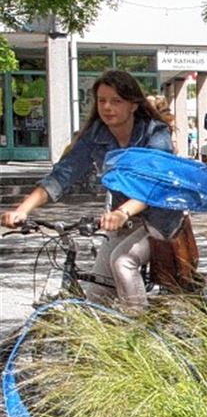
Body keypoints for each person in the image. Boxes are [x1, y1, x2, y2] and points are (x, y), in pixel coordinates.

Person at [1, 70, 182, 311]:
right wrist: (23, 210)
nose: (107, 107)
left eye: (116, 101)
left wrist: (122, 213)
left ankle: (139, 328)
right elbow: (62, 175)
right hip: (123, 221)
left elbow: (153, 184)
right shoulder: (95, 135)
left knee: (122, 262)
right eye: (101, 100)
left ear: (133, 105)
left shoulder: (154, 132)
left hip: (161, 218)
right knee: (96, 297)